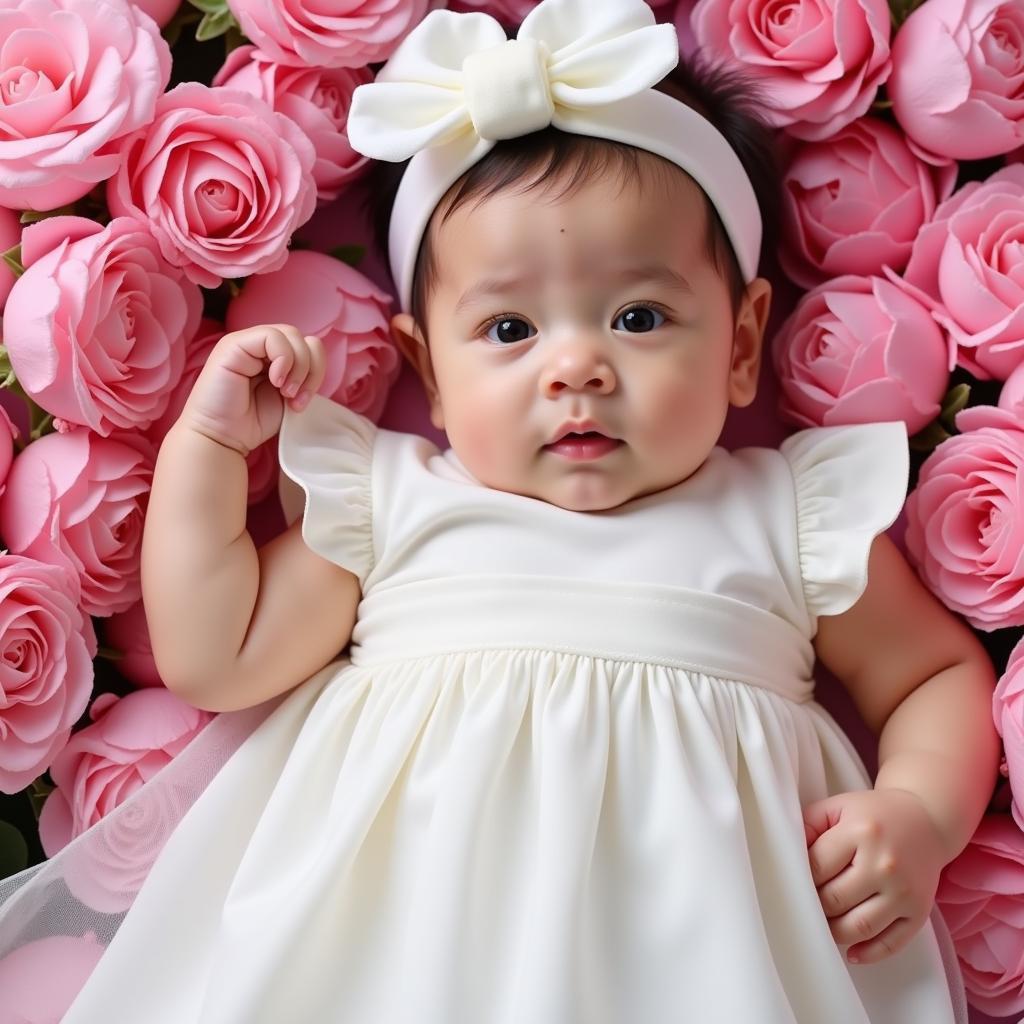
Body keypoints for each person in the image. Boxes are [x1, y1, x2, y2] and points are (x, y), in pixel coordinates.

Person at [0, 1, 1000, 1021]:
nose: (576, 366)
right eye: (510, 327)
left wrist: (915, 810)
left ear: (742, 343)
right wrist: (205, 449)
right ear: (427, 371)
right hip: (410, 962)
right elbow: (218, 654)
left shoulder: (788, 520)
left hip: (696, 966)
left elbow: (929, 673)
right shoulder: (395, 509)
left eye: (639, 316)